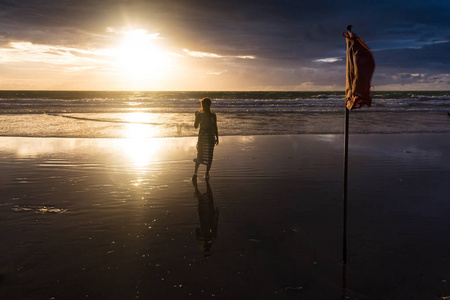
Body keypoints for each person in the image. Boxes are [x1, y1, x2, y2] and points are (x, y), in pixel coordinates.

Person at [192, 97, 219, 180]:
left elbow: (195, 126)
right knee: (208, 155)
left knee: (201, 154)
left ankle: (196, 173)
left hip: (204, 137)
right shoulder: (212, 115)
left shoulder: (201, 115)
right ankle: (205, 174)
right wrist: (217, 137)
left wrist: (195, 117)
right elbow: (215, 127)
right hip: (209, 136)